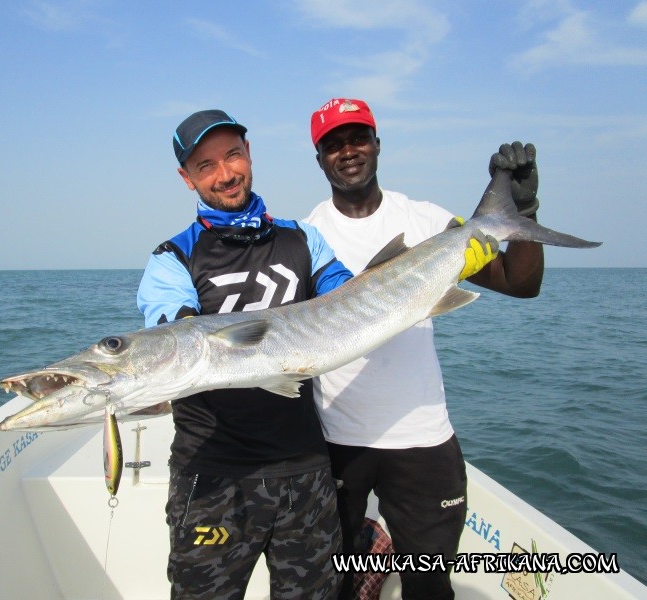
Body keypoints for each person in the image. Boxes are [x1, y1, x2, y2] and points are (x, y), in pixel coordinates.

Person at [304, 98, 544, 600]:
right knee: (334, 583)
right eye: (333, 144)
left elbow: (520, 283)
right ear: (319, 156)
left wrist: (524, 213)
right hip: (335, 441)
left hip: (424, 440)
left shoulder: (429, 220)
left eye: (357, 138)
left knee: (430, 588)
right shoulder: (304, 237)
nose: (348, 151)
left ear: (376, 143)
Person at [136, 109, 354, 599]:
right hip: (214, 475)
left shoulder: (304, 239)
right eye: (205, 165)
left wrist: (439, 270)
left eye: (233, 155)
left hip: (304, 465)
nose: (226, 174)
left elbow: (349, 301)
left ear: (249, 153)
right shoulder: (173, 257)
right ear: (186, 177)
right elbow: (177, 338)